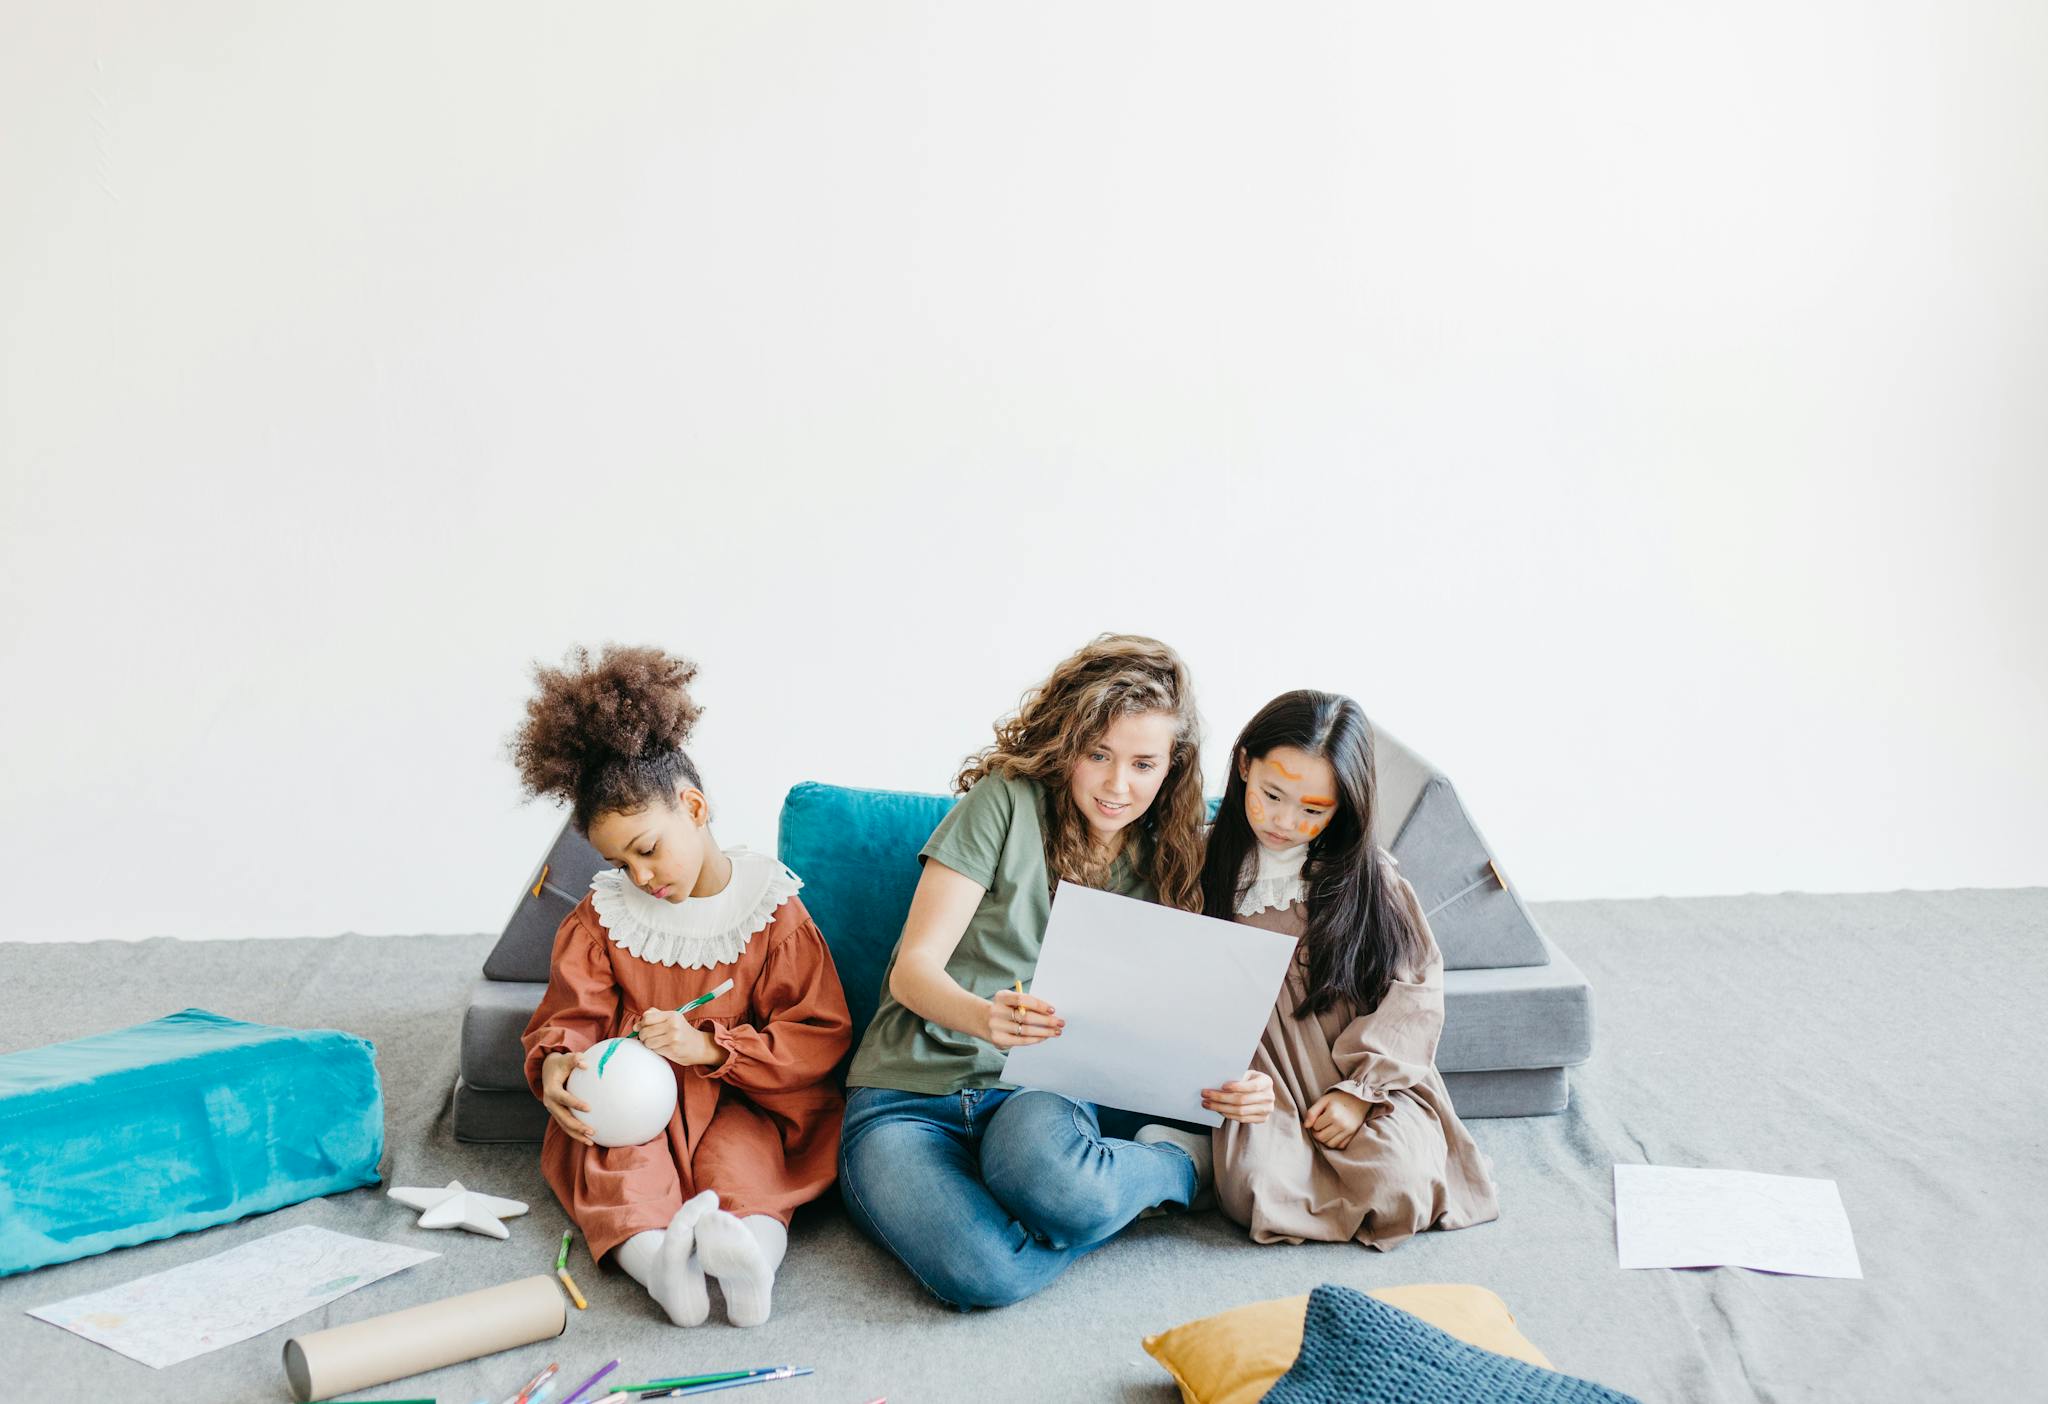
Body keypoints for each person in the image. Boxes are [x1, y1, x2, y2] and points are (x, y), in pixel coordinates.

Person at [838, 634, 1274, 1309]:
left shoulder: (1171, 857)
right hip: (905, 1100)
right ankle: (1125, 1189)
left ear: (1172, 768)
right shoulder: (1003, 802)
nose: (1116, 784)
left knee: (1065, 1187)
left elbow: (1178, 1017)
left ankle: (1178, 1167)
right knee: (985, 1275)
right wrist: (984, 1016)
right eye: (1098, 754)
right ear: (1067, 744)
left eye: (1142, 763)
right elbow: (913, 970)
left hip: (1035, 1096)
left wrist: (1230, 1082)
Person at [511, 644, 852, 1326]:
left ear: (693, 807)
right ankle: (663, 1268)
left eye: (647, 849)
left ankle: (750, 1262)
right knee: (622, 1174)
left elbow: (815, 1034)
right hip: (635, 1102)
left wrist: (708, 1049)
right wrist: (556, 1064)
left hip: (747, 1098)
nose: (639, 876)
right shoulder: (602, 918)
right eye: (616, 861)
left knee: (747, 1172)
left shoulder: (772, 912)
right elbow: (572, 1014)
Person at [1200, 689, 1499, 1249]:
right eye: (1271, 794)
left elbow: (1416, 988)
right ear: (1244, 765)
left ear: (1344, 806)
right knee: (1256, 1189)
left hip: (1357, 1071)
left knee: (1400, 1182)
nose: (1285, 821)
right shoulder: (1199, 860)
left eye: (1313, 809)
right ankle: (1197, 1154)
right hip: (1266, 1077)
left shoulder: (1369, 879)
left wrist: (1361, 1091)